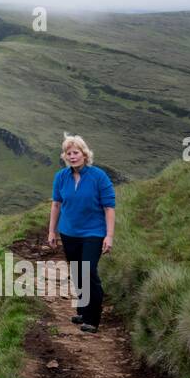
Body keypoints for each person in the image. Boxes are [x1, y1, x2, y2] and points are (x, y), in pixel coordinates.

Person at [46, 133, 115, 333]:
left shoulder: (98, 176)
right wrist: (52, 231)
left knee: (88, 271)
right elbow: (56, 204)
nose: (72, 156)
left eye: (76, 152)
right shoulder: (61, 177)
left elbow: (109, 207)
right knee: (77, 272)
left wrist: (109, 236)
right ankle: (83, 310)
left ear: (84, 154)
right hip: (69, 232)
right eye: (69, 153)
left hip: (93, 232)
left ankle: (92, 319)